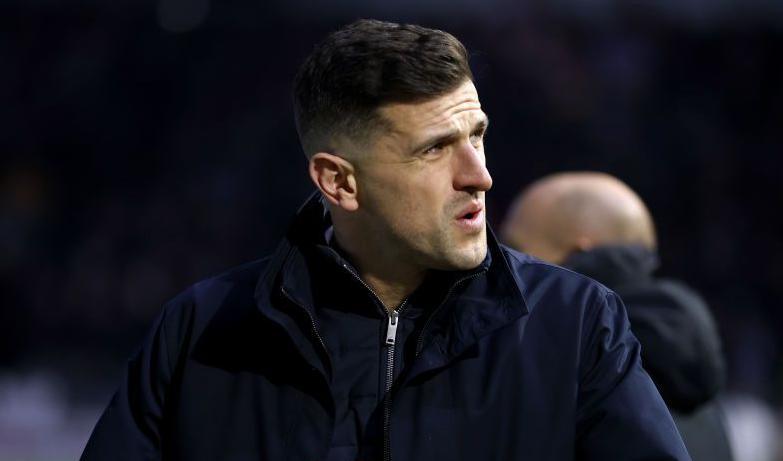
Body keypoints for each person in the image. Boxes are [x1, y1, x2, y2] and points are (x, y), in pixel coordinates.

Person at [81, 20, 688, 460]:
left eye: (476, 135)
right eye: (434, 150)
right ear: (339, 182)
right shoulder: (200, 334)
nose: (479, 174)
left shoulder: (577, 322)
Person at [502, 171, 733, 460]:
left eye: (516, 249)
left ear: (574, 255)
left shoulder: (565, 371)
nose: (504, 265)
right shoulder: (704, 399)